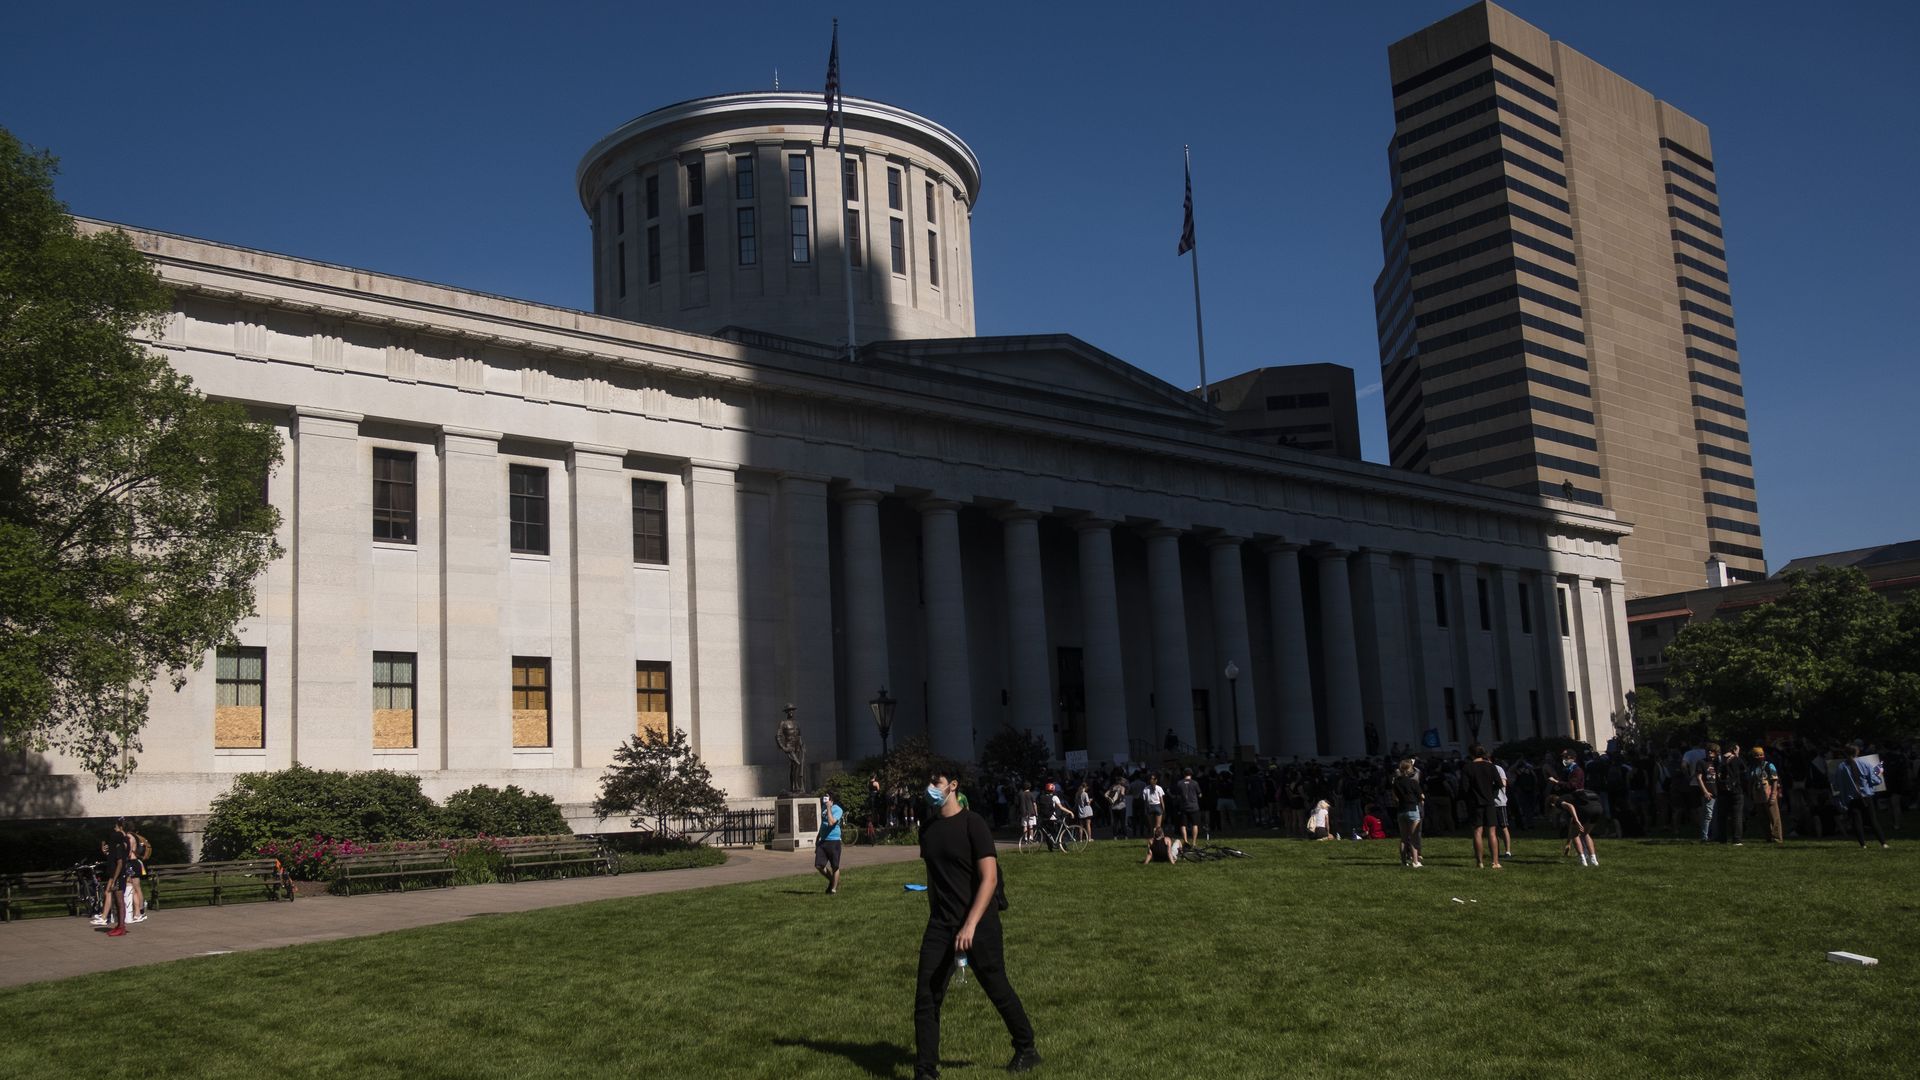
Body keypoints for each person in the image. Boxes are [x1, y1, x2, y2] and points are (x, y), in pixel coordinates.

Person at [914, 770, 1039, 1079]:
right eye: (928, 783)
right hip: (941, 924)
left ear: (953, 785)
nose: (930, 788)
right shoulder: (928, 829)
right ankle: (926, 1070)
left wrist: (969, 925)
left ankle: (1027, 1048)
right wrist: (937, 917)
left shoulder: (974, 824)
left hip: (979, 923)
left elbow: (989, 879)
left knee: (996, 987)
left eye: (936, 782)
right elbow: (933, 878)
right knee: (927, 996)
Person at [1832, 745, 1889, 849]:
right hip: (1866, 796)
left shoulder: (1841, 767)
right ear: (1856, 753)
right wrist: (1878, 780)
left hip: (1852, 798)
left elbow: (1836, 785)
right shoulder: (1864, 763)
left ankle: (1863, 844)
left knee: (1857, 821)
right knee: (1873, 820)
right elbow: (1874, 780)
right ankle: (1883, 843)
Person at [1462, 745, 1503, 870]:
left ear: (1471, 754)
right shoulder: (1490, 766)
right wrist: (1491, 792)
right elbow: (1500, 784)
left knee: (1477, 831)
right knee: (1492, 832)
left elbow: (1464, 787)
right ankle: (1495, 861)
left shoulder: (1468, 767)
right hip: (1489, 801)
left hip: (1475, 802)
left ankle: (1479, 862)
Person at [1548, 793, 1599, 867]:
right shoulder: (1570, 798)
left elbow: (1570, 806)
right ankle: (1594, 860)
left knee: (1575, 835)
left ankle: (1582, 860)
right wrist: (1568, 843)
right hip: (1598, 808)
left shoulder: (1559, 801)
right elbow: (1571, 827)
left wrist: (1577, 820)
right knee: (1585, 833)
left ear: (1552, 805)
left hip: (1585, 809)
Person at [1391, 759, 1424, 867]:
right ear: (1408, 769)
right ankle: (1415, 861)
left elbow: (1394, 797)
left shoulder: (1396, 783)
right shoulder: (1412, 782)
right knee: (1414, 837)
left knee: (1404, 838)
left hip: (1401, 810)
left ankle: (1403, 861)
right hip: (1412, 809)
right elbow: (1421, 796)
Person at [102, 821, 131, 936]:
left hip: (119, 876)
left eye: (115, 827)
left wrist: (114, 879)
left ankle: (121, 927)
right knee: (116, 901)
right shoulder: (118, 845)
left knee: (119, 901)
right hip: (117, 876)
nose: (114, 829)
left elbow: (119, 863)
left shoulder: (119, 846)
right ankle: (119, 925)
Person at [1750, 747, 1783, 844]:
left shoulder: (1770, 765)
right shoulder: (1753, 767)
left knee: (1774, 817)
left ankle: (1777, 838)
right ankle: (1768, 837)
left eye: (1760, 754)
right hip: (1758, 795)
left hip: (1768, 793)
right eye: (1756, 755)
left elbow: (1775, 780)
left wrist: (1773, 795)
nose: (1758, 757)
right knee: (1762, 818)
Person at [816, 792, 844, 894]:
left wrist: (828, 808)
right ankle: (833, 880)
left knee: (834, 866)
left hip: (834, 841)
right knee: (819, 865)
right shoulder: (824, 807)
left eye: (827, 797)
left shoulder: (837, 809)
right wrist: (818, 837)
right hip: (823, 841)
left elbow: (831, 822)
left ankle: (833, 889)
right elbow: (823, 823)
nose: (825, 799)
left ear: (831, 799)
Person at [1695, 743, 1721, 842]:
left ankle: (1715, 836)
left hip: (1718, 792)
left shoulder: (1719, 763)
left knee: (1716, 816)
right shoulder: (1701, 762)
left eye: (1712, 751)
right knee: (1708, 815)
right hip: (1709, 792)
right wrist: (1705, 791)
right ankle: (1704, 836)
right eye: (1708, 751)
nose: (1709, 752)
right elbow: (1699, 778)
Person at [1175, 768, 1204, 847]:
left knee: (1183, 825)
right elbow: (1200, 794)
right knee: (1195, 824)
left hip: (1184, 806)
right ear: (1191, 774)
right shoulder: (1195, 783)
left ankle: (1186, 841)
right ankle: (1194, 842)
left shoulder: (1179, 783)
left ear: (1184, 774)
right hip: (1194, 806)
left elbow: (1177, 795)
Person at [1493, 760, 1514, 859]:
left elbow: (1504, 783)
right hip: (1490, 803)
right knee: (1493, 829)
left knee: (1503, 826)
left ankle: (1508, 851)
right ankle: (1496, 850)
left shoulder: (1498, 768)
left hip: (1499, 802)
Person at [1104, 774, 1129, 839]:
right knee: (1123, 822)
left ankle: (1115, 836)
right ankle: (1125, 836)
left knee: (1115, 822)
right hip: (1121, 806)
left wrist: (1110, 799)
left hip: (1113, 807)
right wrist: (1122, 797)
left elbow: (1105, 794)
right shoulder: (1122, 787)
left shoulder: (1112, 787)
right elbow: (1123, 794)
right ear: (1120, 781)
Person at [1017, 780, 1038, 846]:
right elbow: (1034, 804)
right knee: (1031, 826)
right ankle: (1031, 838)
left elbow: (1018, 803)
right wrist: (1036, 812)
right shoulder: (1031, 794)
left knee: (1025, 826)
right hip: (1031, 812)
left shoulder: (1020, 794)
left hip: (1023, 812)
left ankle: (1025, 839)